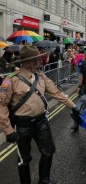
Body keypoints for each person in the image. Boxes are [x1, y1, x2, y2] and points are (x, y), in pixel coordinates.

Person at [0, 45, 78, 184]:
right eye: (38, 59)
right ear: (30, 61)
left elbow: (56, 93)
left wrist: (73, 106)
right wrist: (8, 130)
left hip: (42, 122)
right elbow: (1, 106)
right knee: (24, 159)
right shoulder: (11, 80)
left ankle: (44, 180)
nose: (41, 61)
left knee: (48, 151)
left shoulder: (40, 76)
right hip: (23, 125)